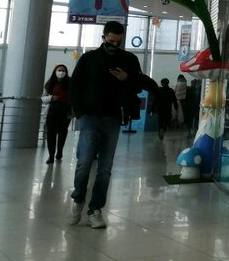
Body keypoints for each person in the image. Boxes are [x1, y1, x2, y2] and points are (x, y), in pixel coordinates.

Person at [68, 21, 155, 229]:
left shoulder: (128, 60)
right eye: (111, 41)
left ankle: (95, 209)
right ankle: (78, 199)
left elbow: (140, 85)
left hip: (113, 118)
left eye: (118, 42)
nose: (114, 45)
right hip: (89, 117)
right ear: (104, 37)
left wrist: (127, 78)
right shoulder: (89, 58)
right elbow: (75, 85)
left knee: (105, 168)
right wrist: (79, 112)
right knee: (84, 162)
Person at [43, 64, 72, 164]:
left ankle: (59, 151)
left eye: (63, 71)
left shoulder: (70, 83)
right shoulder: (50, 83)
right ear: (55, 71)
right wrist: (51, 98)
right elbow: (43, 98)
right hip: (52, 112)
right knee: (51, 134)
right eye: (59, 70)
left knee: (62, 133)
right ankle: (51, 155)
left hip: (65, 112)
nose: (61, 72)